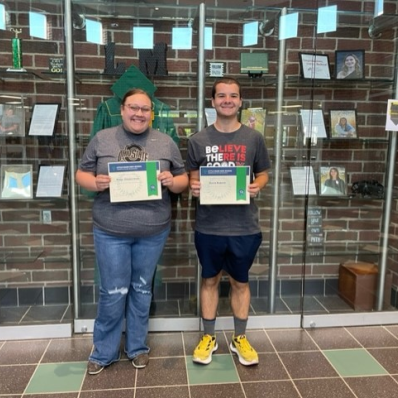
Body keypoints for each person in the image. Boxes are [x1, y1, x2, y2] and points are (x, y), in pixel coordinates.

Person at [75, 88, 188, 375]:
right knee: (113, 291)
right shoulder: (103, 139)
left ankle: (138, 347)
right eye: (133, 108)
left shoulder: (166, 142)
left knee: (141, 289)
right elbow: (80, 174)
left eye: (145, 109)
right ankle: (104, 352)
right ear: (122, 109)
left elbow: (183, 178)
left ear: (152, 113)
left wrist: (170, 181)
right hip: (110, 230)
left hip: (153, 231)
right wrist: (96, 183)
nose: (139, 114)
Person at [186, 77, 270, 367]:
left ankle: (239, 338)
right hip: (209, 225)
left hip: (244, 226)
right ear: (212, 101)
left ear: (240, 101)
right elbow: (193, 177)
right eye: (221, 95)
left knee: (240, 281)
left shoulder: (253, 138)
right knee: (209, 279)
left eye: (233, 95)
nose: (227, 100)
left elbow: (263, 173)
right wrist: (194, 186)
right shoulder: (198, 140)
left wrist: (257, 185)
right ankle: (208, 337)